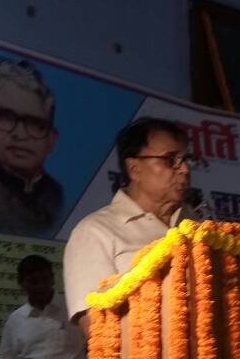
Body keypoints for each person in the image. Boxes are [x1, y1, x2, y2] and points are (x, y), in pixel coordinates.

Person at [63, 118, 197, 335]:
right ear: (134, 169)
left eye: (186, 159)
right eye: (170, 159)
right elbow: (97, 328)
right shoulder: (94, 232)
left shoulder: (197, 227)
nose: (184, 169)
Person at [0, 57, 63, 237]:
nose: (20, 134)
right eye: (5, 117)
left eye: (35, 123)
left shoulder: (55, 196)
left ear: (51, 140)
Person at [0, 255, 87, 359]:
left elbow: (93, 348)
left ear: (53, 279)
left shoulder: (74, 309)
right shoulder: (15, 320)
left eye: (45, 279)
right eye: (33, 281)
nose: (40, 286)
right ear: (21, 284)